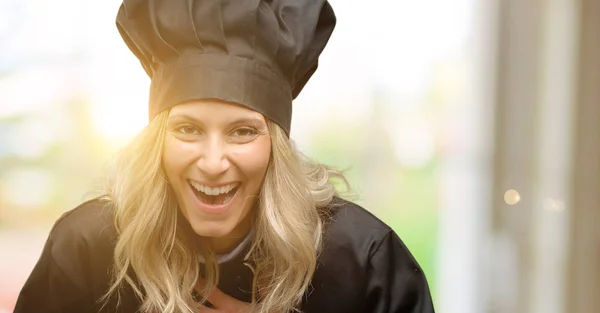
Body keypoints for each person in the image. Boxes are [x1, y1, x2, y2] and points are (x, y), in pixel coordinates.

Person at [14, 0, 435, 312]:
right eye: (187, 129)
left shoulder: (362, 259)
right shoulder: (88, 247)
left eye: (242, 132)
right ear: (156, 141)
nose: (214, 162)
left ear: (276, 146)